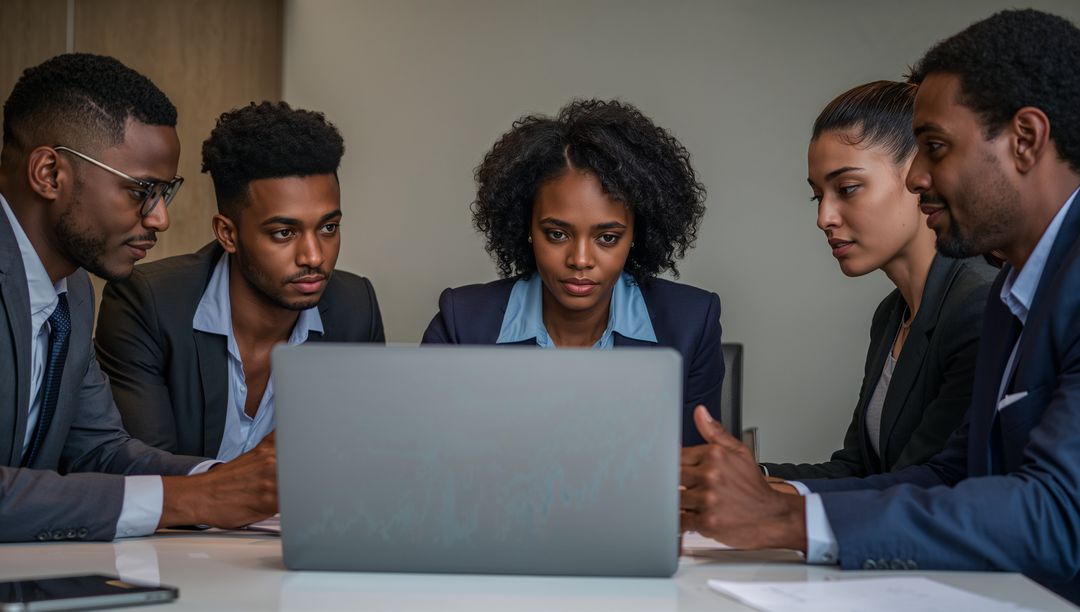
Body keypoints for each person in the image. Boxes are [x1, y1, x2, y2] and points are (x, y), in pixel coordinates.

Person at [679, 9, 1080, 602]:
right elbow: (950, 474)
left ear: (1025, 140)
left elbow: (1056, 516)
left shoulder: (1002, 296)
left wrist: (784, 518)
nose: (918, 177)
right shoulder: (1011, 294)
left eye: (935, 147)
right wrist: (761, 491)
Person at [0, 53, 276, 542]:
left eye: (164, 193)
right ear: (48, 173)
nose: (159, 219)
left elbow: (98, 452)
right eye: (141, 190)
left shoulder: (74, 292)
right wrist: (194, 500)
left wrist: (237, 481)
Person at [422, 99, 723, 446]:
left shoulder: (691, 325)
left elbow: (698, 479)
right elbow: (429, 468)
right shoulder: (461, 324)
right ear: (527, 228)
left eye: (607, 237)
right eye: (557, 234)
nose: (580, 259)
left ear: (636, 236)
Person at [95, 102, 384, 460]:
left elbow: (360, 461)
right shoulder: (147, 304)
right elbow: (146, 470)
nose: (313, 256)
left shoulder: (356, 308)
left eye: (328, 227)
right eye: (283, 232)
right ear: (227, 234)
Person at [761, 81, 995, 480]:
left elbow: (921, 487)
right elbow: (859, 470)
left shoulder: (977, 305)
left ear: (918, 175)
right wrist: (753, 476)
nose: (824, 218)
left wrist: (765, 502)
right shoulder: (892, 314)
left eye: (847, 189)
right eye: (818, 196)